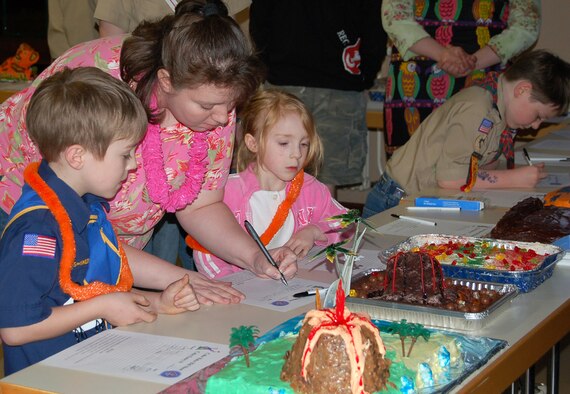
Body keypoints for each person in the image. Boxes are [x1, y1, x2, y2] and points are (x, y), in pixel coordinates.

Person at [0, 0, 297, 303]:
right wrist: (176, 277)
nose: (223, 118)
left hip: (115, 247)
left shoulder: (216, 95)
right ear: (166, 81)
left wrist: (254, 257)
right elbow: (81, 230)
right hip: (30, 211)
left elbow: (201, 205)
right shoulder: (99, 88)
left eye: (231, 105)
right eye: (207, 106)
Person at [0, 67, 201, 376]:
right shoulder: (39, 228)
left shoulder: (86, 207)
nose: (133, 165)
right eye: (125, 154)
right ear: (77, 156)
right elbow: (16, 328)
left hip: (90, 368)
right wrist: (102, 308)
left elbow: (91, 290)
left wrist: (158, 302)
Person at [363, 50, 570, 218]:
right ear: (522, 90)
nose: (535, 126)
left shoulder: (500, 108)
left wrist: (514, 177)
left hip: (419, 198)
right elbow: (450, 179)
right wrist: (514, 178)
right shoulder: (477, 108)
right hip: (394, 201)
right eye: (538, 116)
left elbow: (478, 163)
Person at [190, 89, 349, 278]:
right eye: (284, 143)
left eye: (304, 144)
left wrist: (314, 231)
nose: (296, 154)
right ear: (253, 143)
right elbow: (205, 249)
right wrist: (228, 283)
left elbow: (350, 224)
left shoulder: (312, 189)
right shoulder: (225, 194)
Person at [249, 0, 387, 195]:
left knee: (277, 170)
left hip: (286, 78)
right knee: (325, 176)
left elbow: (260, 21)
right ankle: (318, 223)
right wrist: (364, 75)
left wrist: (269, 66)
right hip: (337, 82)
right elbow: (374, 30)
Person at [381, 0, 541, 156]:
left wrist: (470, 62)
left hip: (484, 83)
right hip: (414, 85)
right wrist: (446, 56)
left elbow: (525, 27)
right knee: (408, 171)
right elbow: (394, 17)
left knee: (479, 169)